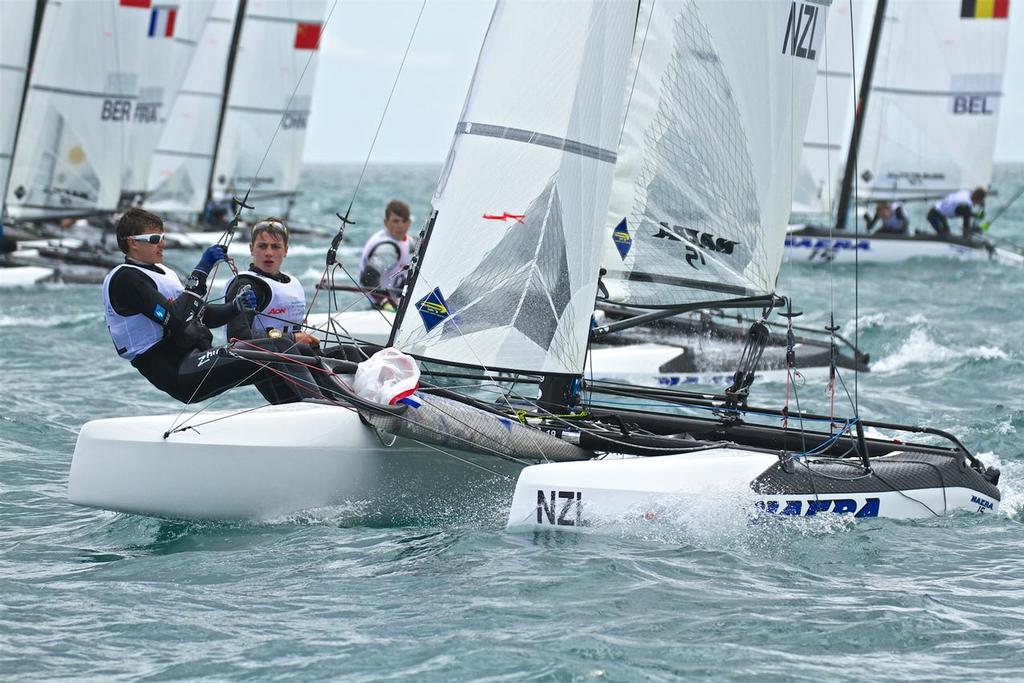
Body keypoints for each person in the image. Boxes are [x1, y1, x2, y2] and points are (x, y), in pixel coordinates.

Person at [102, 207, 322, 405]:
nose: (163, 243)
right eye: (154, 238)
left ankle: (334, 403)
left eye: (163, 237)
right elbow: (177, 320)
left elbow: (201, 315)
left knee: (299, 349)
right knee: (280, 347)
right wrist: (202, 269)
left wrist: (236, 307)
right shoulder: (126, 280)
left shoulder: (162, 273)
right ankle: (323, 408)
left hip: (197, 358)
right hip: (178, 372)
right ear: (132, 242)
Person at [223, 217, 320, 348]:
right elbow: (237, 338)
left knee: (349, 351)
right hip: (256, 361)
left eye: (275, 247)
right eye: (262, 246)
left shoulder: (294, 284)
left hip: (291, 354)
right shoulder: (245, 285)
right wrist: (291, 338)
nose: (269, 253)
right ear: (251, 249)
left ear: (285, 250)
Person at [358, 199, 414, 309]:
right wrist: (385, 302)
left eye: (404, 221)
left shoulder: (403, 239)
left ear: (409, 223)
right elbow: (367, 279)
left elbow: (415, 245)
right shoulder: (387, 250)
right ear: (386, 222)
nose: (400, 226)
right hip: (381, 307)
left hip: (397, 296)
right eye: (395, 221)